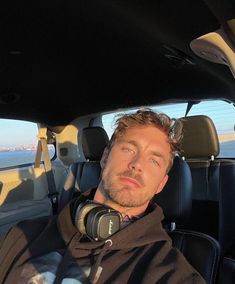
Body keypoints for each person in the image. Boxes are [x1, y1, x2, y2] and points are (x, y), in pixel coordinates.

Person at [0, 109, 206, 284]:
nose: (137, 164)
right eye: (128, 149)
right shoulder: (21, 234)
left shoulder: (169, 272)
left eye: (154, 161)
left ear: (161, 185)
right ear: (105, 157)